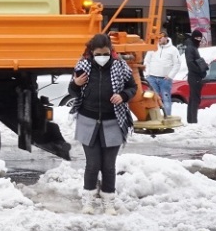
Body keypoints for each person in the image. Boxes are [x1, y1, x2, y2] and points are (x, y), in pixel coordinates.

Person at [68, 32, 137, 215]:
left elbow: (133, 87)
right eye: (98, 54)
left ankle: (109, 202)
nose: (102, 57)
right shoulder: (83, 66)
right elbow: (73, 91)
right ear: (91, 52)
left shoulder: (120, 66)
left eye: (105, 53)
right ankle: (88, 200)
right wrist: (76, 83)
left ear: (111, 51)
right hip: (88, 121)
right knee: (92, 164)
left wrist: (123, 96)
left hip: (113, 121)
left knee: (108, 165)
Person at [142, 34, 182, 117]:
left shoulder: (173, 50)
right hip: (152, 78)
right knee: (152, 99)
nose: (159, 39)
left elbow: (177, 64)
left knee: (166, 99)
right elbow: (146, 61)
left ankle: (167, 117)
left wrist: (170, 76)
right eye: (158, 38)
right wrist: (148, 74)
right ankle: (153, 117)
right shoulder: (153, 48)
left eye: (160, 38)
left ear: (166, 38)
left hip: (165, 80)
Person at [184, 29, 209, 124]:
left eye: (200, 38)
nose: (198, 39)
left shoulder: (192, 47)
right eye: (197, 37)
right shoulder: (191, 48)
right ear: (193, 37)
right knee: (195, 99)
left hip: (194, 75)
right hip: (194, 76)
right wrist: (200, 70)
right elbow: (190, 63)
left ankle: (191, 120)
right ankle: (193, 120)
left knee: (192, 98)